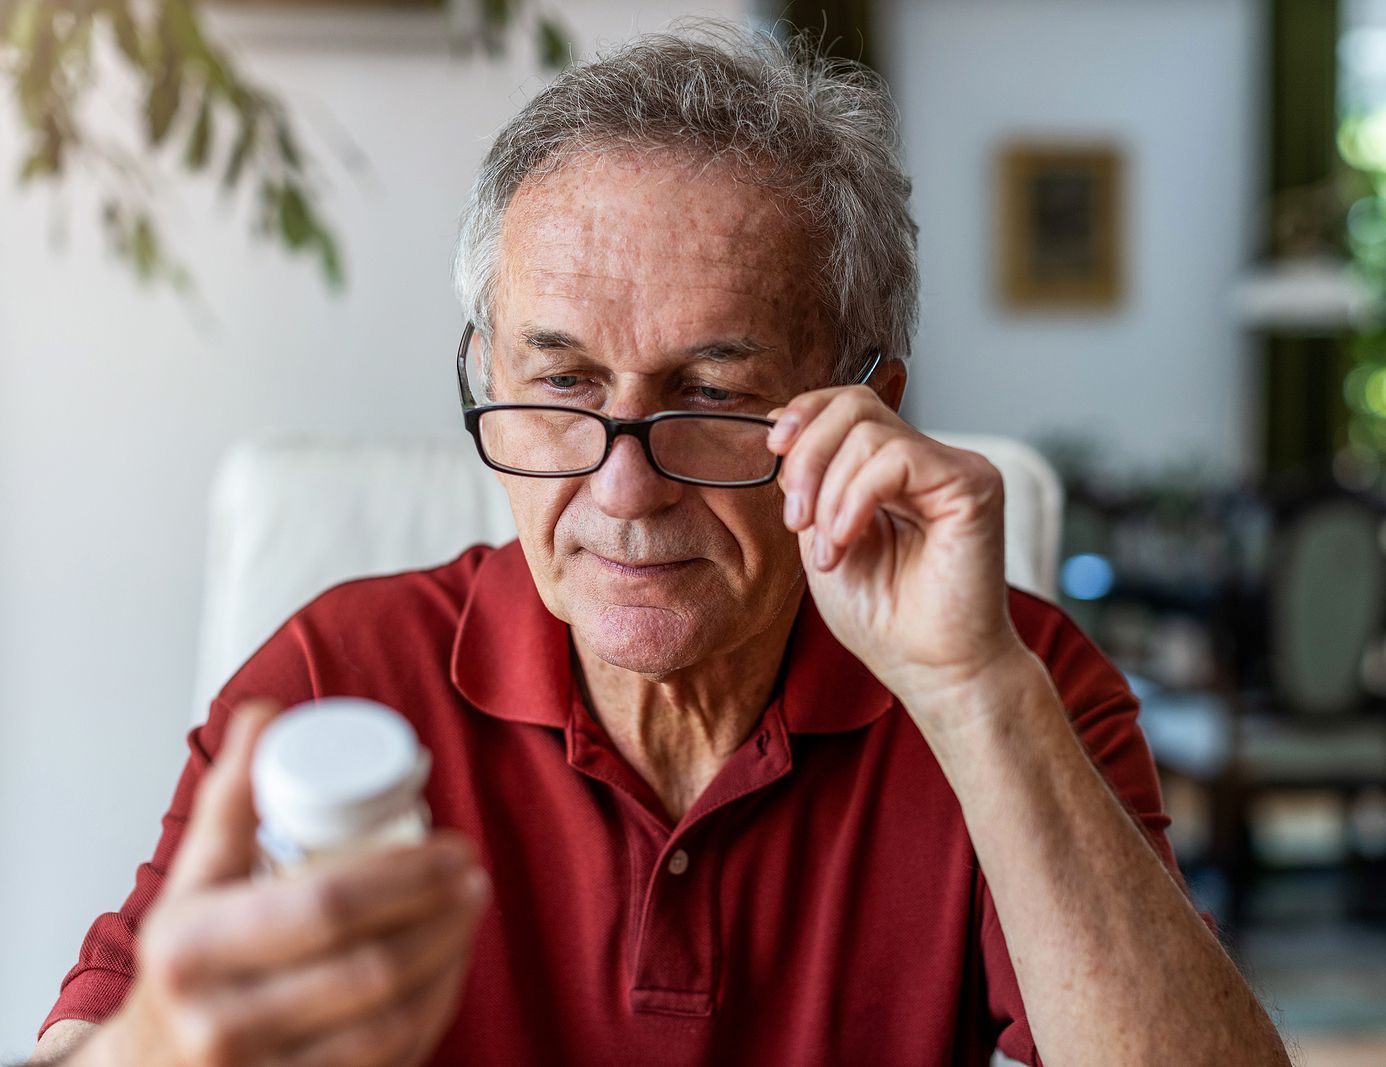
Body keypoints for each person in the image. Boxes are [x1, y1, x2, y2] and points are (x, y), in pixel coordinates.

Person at [30, 25, 1288, 1067]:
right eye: (561, 383)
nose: (621, 488)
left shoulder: (1022, 685)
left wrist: (974, 696)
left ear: (868, 408)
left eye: (717, 397)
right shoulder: (338, 673)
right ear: (487, 375)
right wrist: (153, 1041)